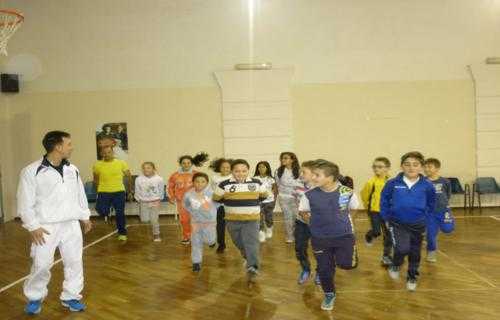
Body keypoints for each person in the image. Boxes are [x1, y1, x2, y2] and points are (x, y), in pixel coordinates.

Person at [17, 131, 92, 315]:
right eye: (69, 144)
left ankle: (71, 296)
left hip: (71, 225)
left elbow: (80, 195)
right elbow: (24, 201)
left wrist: (84, 216)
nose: (71, 147)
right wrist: (32, 226)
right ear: (58, 147)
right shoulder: (31, 171)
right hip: (45, 227)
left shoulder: (72, 169)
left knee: (74, 262)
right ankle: (35, 297)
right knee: (41, 264)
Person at [298, 159, 359, 311]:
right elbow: (303, 211)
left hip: (344, 236)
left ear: (330, 177)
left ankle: (349, 254)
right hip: (320, 238)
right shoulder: (309, 195)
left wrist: (347, 221)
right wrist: (311, 223)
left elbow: (354, 208)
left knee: (346, 264)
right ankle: (329, 294)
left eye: (317, 175)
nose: (312, 178)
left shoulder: (346, 192)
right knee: (325, 270)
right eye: (312, 175)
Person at [380, 151, 436, 291]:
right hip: (397, 223)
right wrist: (386, 217)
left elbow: (431, 204)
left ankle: (412, 276)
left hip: (418, 224)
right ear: (401, 166)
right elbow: (384, 200)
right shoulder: (392, 183)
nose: (411, 168)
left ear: (421, 167)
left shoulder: (427, 185)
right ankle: (396, 264)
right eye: (407, 164)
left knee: (415, 252)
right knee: (402, 248)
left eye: (415, 165)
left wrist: (425, 219)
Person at [213, 159, 268, 283]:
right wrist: (230, 203)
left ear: (248, 171)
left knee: (251, 243)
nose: (240, 173)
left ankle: (253, 266)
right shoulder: (224, 184)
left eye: (244, 171)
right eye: (237, 171)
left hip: (252, 219)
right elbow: (216, 198)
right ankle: (247, 256)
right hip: (232, 220)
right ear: (232, 171)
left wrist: (250, 202)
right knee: (238, 242)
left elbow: (264, 195)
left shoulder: (257, 182)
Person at [168, 152, 209, 245]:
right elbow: (170, 186)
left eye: (188, 163)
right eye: (184, 163)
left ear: (191, 164)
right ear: (180, 164)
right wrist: (171, 196)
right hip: (181, 202)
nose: (186, 165)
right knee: (184, 220)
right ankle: (187, 236)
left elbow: (204, 186)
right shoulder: (175, 175)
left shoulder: (197, 174)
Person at [93, 146, 133, 241]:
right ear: (102, 154)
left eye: (109, 152)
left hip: (118, 191)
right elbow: (95, 179)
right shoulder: (97, 165)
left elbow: (129, 177)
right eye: (104, 153)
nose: (107, 154)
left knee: (120, 213)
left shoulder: (121, 163)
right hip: (103, 191)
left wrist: (130, 191)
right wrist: (97, 192)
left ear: (113, 153)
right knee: (101, 210)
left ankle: (122, 233)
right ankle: (107, 211)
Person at [360, 157, 393, 266]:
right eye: (374, 167)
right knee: (377, 232)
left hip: (388, 213)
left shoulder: (391, 182)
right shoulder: (371, 182)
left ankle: (386, 256)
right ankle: (369, 235)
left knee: (389, 234)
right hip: (374, 211)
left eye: (379, 167)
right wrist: (368, 208)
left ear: (387, 168)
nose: (376, 169)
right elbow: (364, 195)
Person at [183, 173, 218, 272]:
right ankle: (196, 262)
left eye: (203, 182)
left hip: (209, 222)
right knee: (196, 242)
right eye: (197, 181)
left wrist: (211, 212)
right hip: (195, 222)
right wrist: (193, 211)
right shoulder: (189, 194)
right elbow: (185, 204)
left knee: (209, 240)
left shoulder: (211, 193)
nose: (200, 184)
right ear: (193, 182)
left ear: (207, 183)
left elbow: (218, 203)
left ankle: (212, 242)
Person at [423, 158, 455, 263]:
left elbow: (448, 194)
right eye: (425, 166)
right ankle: (431, 252)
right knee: (431, 234)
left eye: (429, 167)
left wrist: (445, 204)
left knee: (448, 229)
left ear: (437, 168)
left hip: (444, 211)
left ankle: (439, 226)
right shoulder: (422, 182)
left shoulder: (445, 181)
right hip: (430, 213)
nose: (426, 169)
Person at [294, 160, 320, 285]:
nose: (301, 174)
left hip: (318, 224)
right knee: (299, 248)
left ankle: (321, 272)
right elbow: (297, 201)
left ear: (314, 174)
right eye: (300, 171)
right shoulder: (297, 185)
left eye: (304, 172)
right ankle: (306, 269)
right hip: (301, 223)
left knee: (319, 249)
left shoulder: (321, 187)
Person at [275, 152, 302, 243]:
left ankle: (297, 234)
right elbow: (278, 184)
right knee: (288, 217)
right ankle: (289, 236)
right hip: (284, 197)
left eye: (286, 158)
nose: (283, 160)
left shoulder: (299, 171)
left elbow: (302, 184)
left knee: (296, 217)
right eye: (282, 158)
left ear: (292, 160)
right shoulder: (278, 171)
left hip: (296, 198)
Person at [135, 162, 165, 242]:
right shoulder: (138, 179)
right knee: (144, 219)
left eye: (148, 167)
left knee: (154, 220)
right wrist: (138, 199)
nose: (146, 169)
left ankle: (156, 235)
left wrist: (160, 198)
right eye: (144, 168)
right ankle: (148, 224)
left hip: (155, 201)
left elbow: (161, 189)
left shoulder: (159, 179)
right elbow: (137, 190)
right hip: (143, 201)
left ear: (153, 169)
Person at [209, 158, 232, 253]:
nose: (225, 169)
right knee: (219, 225)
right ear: (219, 168)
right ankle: (221, 244)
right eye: (223, 167)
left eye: (228, 167)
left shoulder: (233, 177)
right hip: (218, 205)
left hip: (231, 205)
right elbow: (212, 190)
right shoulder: (214, 178)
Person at [254, 161, 277, 243]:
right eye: (259, 167)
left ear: (267, 168)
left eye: (263, 167)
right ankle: (261, 232)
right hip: (258, 201)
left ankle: (269, 228)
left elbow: (275, 190)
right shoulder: (255, 179)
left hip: (269, 201)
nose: (261, 168)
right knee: (259, 218)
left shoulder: (271, 179)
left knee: (269, 217)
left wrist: (274, 200)